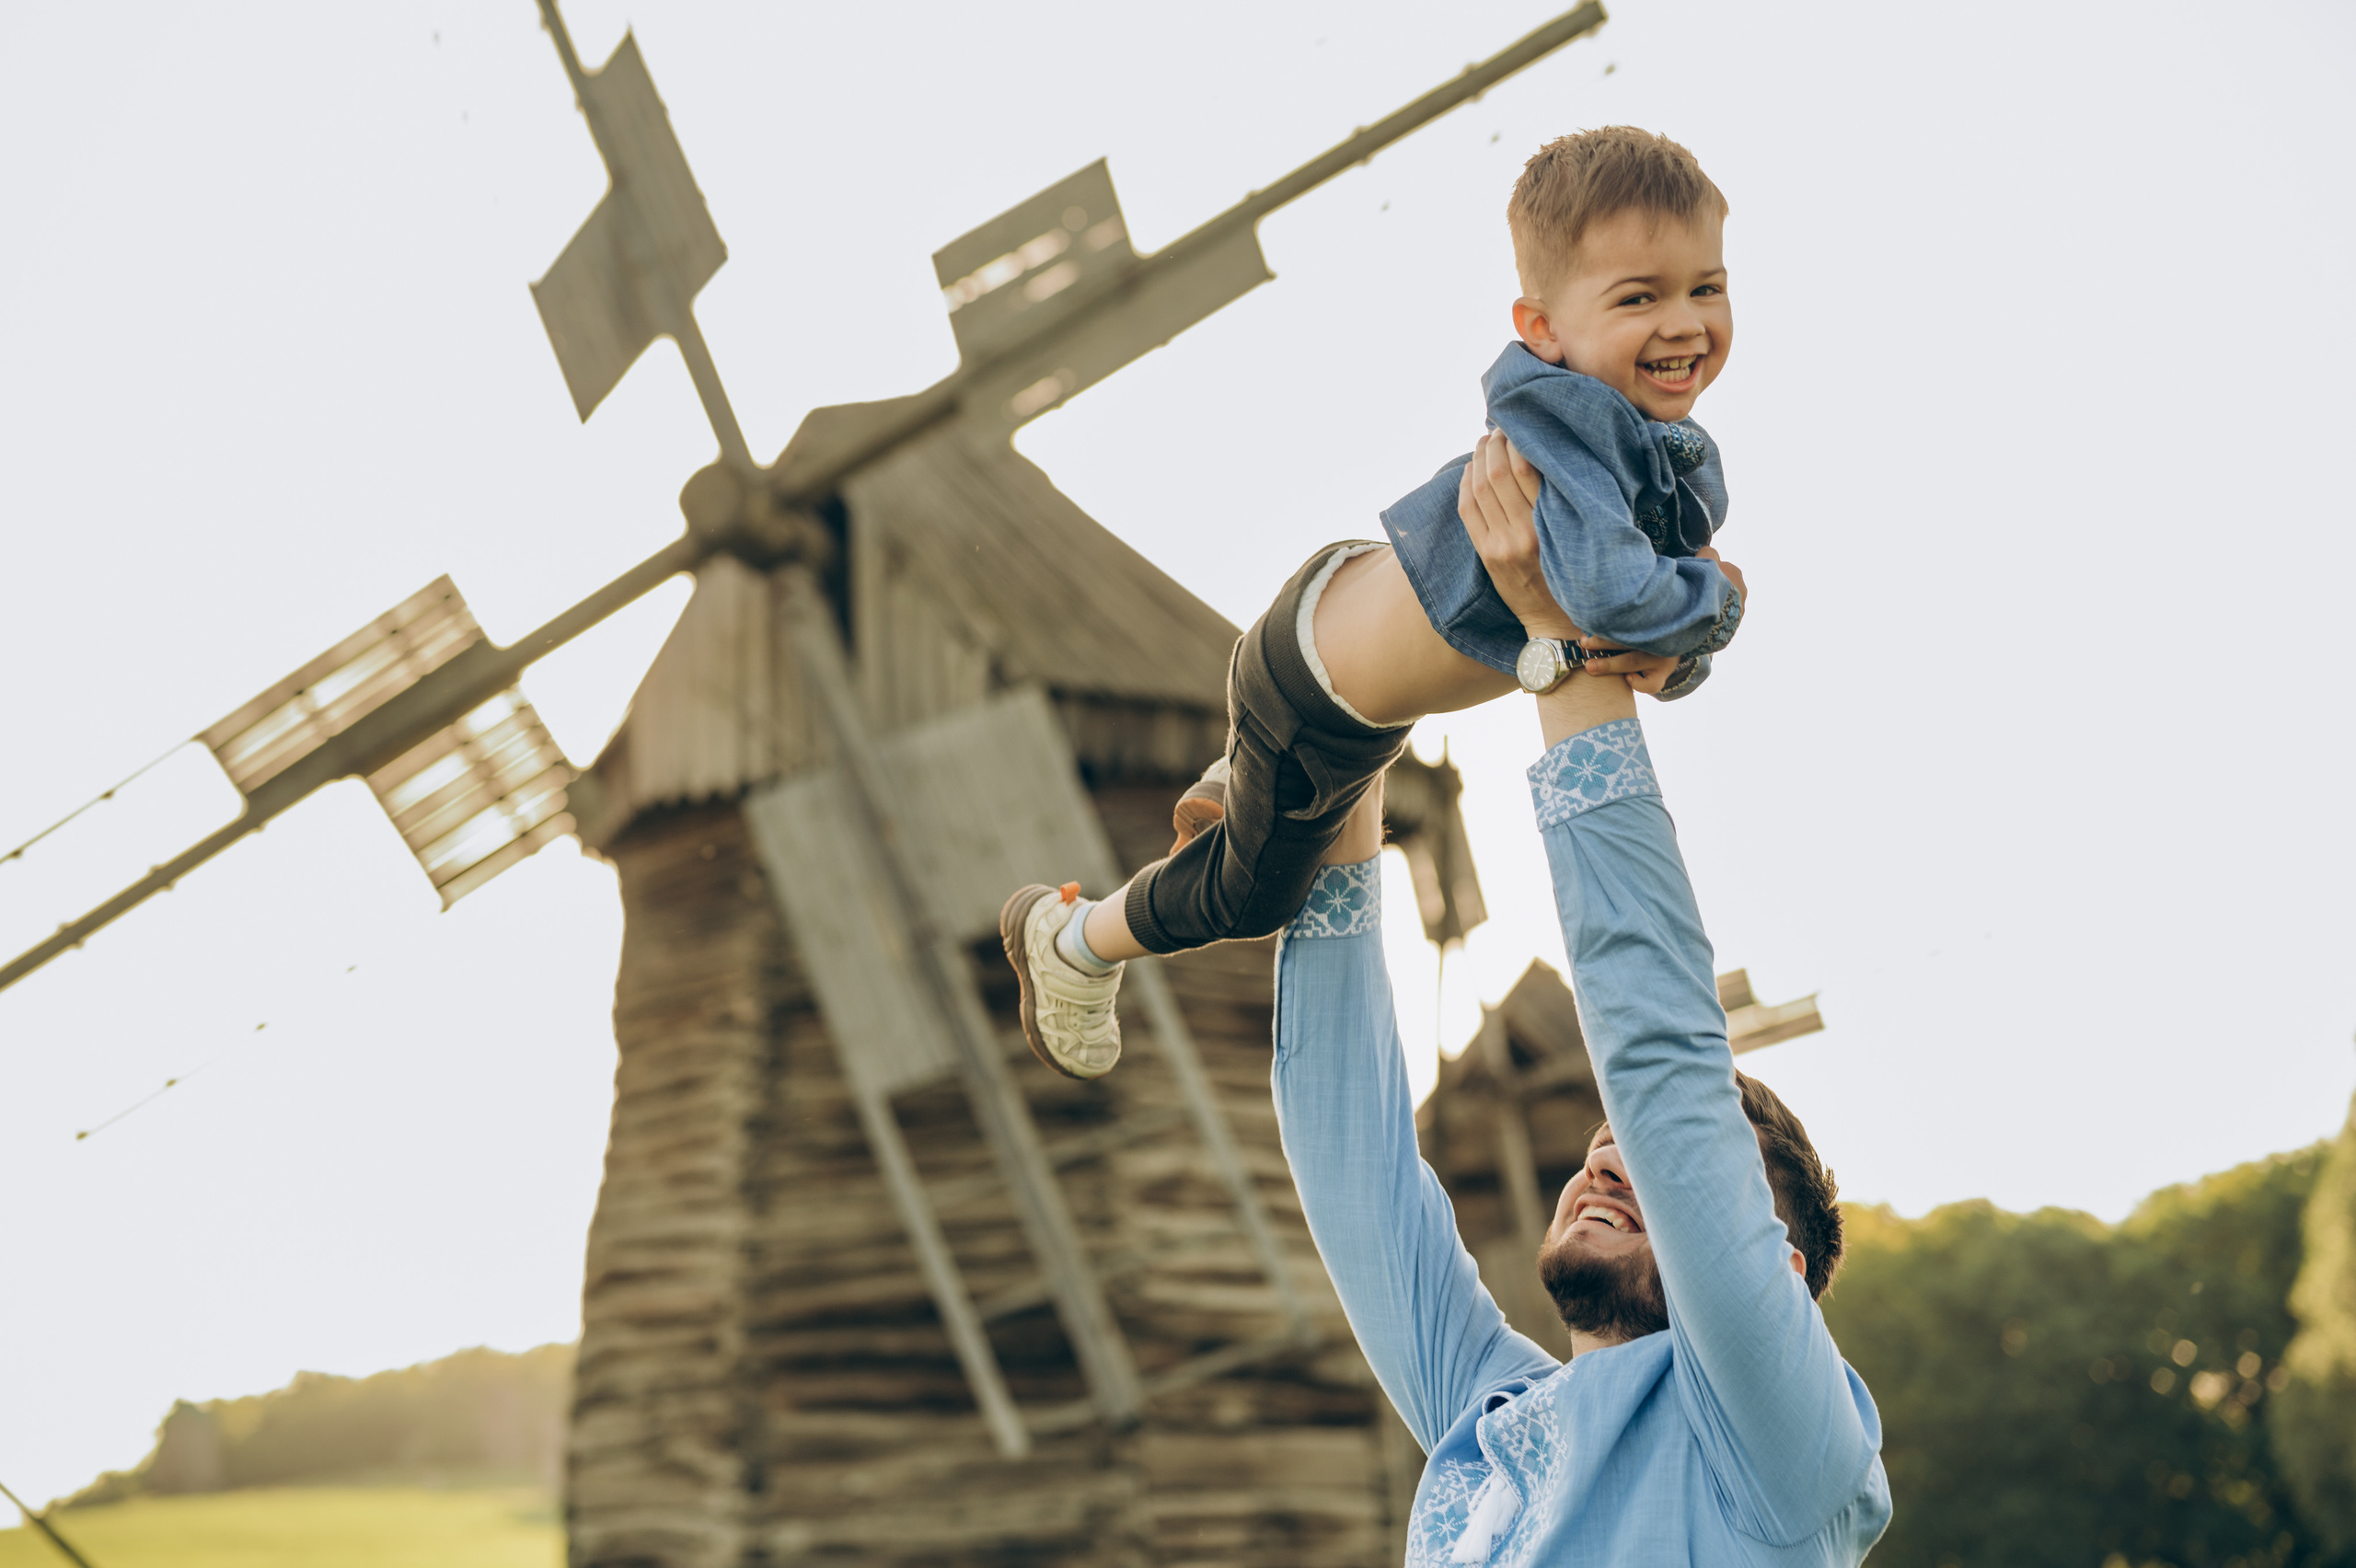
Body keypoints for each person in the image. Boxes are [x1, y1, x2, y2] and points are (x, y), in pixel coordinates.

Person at [1001, 126, 1747, 1080]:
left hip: (1338, 618)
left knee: (1283, 813)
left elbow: (1640, 637)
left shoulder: (1629, 435)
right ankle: (1072, 940)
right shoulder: (1576, 429)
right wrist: (1718, 604)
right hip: (1322, 702)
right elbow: (1615, 598)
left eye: (1706, 288)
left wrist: (1684, 640)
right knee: (1249, 896)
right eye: (1639, 297)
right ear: (1542, 328)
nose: (1684, 322)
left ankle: (1241, 778)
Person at [1277, 459, 1888, 1564]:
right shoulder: (1494, 1430)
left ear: (1778, 1277)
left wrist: (1565, 651)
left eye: (1657, 1169)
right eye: (1606, 1151)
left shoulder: (1788, 1453)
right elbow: (1357, 1171)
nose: (1609, 1164)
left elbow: (1663, 1077)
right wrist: (1332, 767)